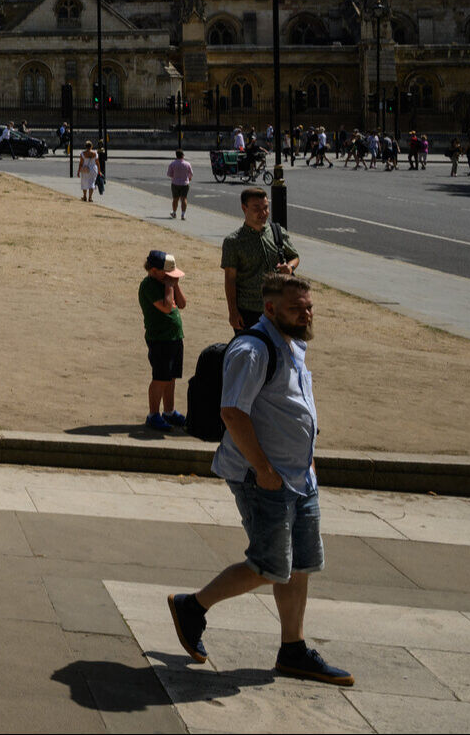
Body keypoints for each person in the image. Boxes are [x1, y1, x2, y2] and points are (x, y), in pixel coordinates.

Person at [167, 275, 350, 686]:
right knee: (270, 566)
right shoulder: (252, 350)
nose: (306, 314)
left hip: (299, 476)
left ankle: (293, 649)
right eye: (296, 308)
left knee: (300, 562)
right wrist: (264, 470)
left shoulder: (295, 343)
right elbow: (233, 412)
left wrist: (309, 461)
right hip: (262, 478)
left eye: (308, 306)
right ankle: (192, 606)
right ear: (270, 309)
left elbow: (296, 408)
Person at [222, 186, 298, 333]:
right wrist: (233, 312)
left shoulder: (277, 232)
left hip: (278, 308)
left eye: (266, 207)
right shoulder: (233, 242)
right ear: (244, 208)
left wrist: (290, 268)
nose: (263, 213)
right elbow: (230, 280)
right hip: (249, 311)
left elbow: (294, 256)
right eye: (256, 208)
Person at [140, 250, 188, 430]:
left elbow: (181, 304)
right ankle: (153, 414)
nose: (169, 277)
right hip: (159, 339)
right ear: (153, 270)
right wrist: (169, 286)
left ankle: (169, 411)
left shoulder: (167, 283)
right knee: (160, 377)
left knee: (171, 377)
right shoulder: (149, 286)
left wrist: (175, 285)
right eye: (165, 273)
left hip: (175, 337)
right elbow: (168, 308)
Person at [166, 148, 194, 219]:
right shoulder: (187, 164)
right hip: (184, 184)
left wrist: (175, 177)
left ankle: (174, 212)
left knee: (175, 199)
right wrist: (189, 178)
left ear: (176, 155)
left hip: (175, 183)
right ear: (183, 155)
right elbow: (191, 174)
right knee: (184, 199)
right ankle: (183, 214)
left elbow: (169, 174)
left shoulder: (172, 164)